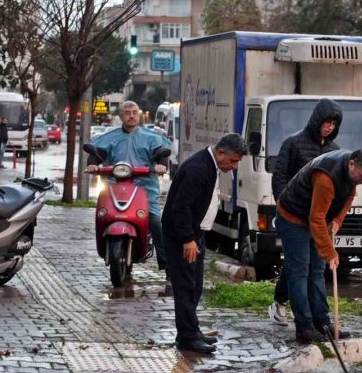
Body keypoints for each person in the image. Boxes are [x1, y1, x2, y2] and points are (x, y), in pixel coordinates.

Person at [276, 149, 362, 344]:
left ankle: (322, 323)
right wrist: (330, 252)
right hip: (293, 217)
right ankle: (304, 328)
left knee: (317, 270)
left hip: (316, 218)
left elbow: (349, 197)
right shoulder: (326, 177)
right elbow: (316, 218)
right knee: (300, 272)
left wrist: (338, 219)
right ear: (351, 164)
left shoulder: (352, 176)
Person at [162, 134, 247, 354]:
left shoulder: (210, 165)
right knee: (186, 287)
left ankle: (191, 330)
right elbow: (181, 207)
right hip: (182, 236)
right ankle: (188, 338)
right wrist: (188, 239)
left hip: (195, 234)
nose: (234, 166)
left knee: (195, 286)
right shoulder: (198, 168)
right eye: (233, 161)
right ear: (220, 152)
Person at [268, 98, 343, 326]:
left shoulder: (334, 150)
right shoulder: (293, 143)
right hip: (294, 214)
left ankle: (299, 308)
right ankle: (288, 308)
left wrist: (334, 218)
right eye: (326, 122)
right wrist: (283, 207)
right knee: (299, 265)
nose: (329, 127)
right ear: (317, 120)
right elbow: (279, 177)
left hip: (319, 217)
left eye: (334, 124)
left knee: (310, 267)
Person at [85, 101, 172, 273]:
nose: (131, 115)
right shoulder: (110, 137)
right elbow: (98, 154)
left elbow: (161, 154)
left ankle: (167, 263)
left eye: (134, 112)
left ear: (138, 114)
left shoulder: (151, 137)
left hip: (144, 189)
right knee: (104, 215)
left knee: (155, 220)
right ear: (120, 116)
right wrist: (93, 164)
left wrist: (162, 165)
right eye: (127, 112)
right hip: (115, 187)